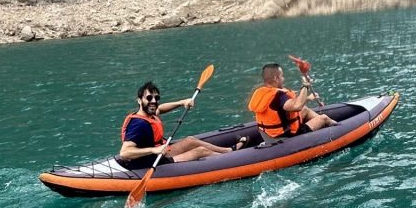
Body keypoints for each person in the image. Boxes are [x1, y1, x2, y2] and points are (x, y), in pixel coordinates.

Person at [117, 81, 246, 169]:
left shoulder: (148, 114)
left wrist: (181, 102)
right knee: (200, 151)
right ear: (139, 100)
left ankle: (229, 151)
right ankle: (237, 161)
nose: (154, 101)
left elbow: (160, 109)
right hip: (150, 162)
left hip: (159, 153)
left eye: (156, 98)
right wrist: (153, 150)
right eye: (149, 98)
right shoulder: (139, 124)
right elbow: (124, 153)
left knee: (190, 140)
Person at [248, 63, 337, 141]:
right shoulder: (278, 97)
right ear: (276, 78)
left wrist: (308, 98)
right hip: (285, 136)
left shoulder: (262, 93)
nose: (283, 78)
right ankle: (338, 127)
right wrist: (305, 85)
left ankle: (322, 129)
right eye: (282, 76)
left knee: (305, 109)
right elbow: (297, 106)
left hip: (269, 135)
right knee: (323, 118)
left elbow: (286, 105)